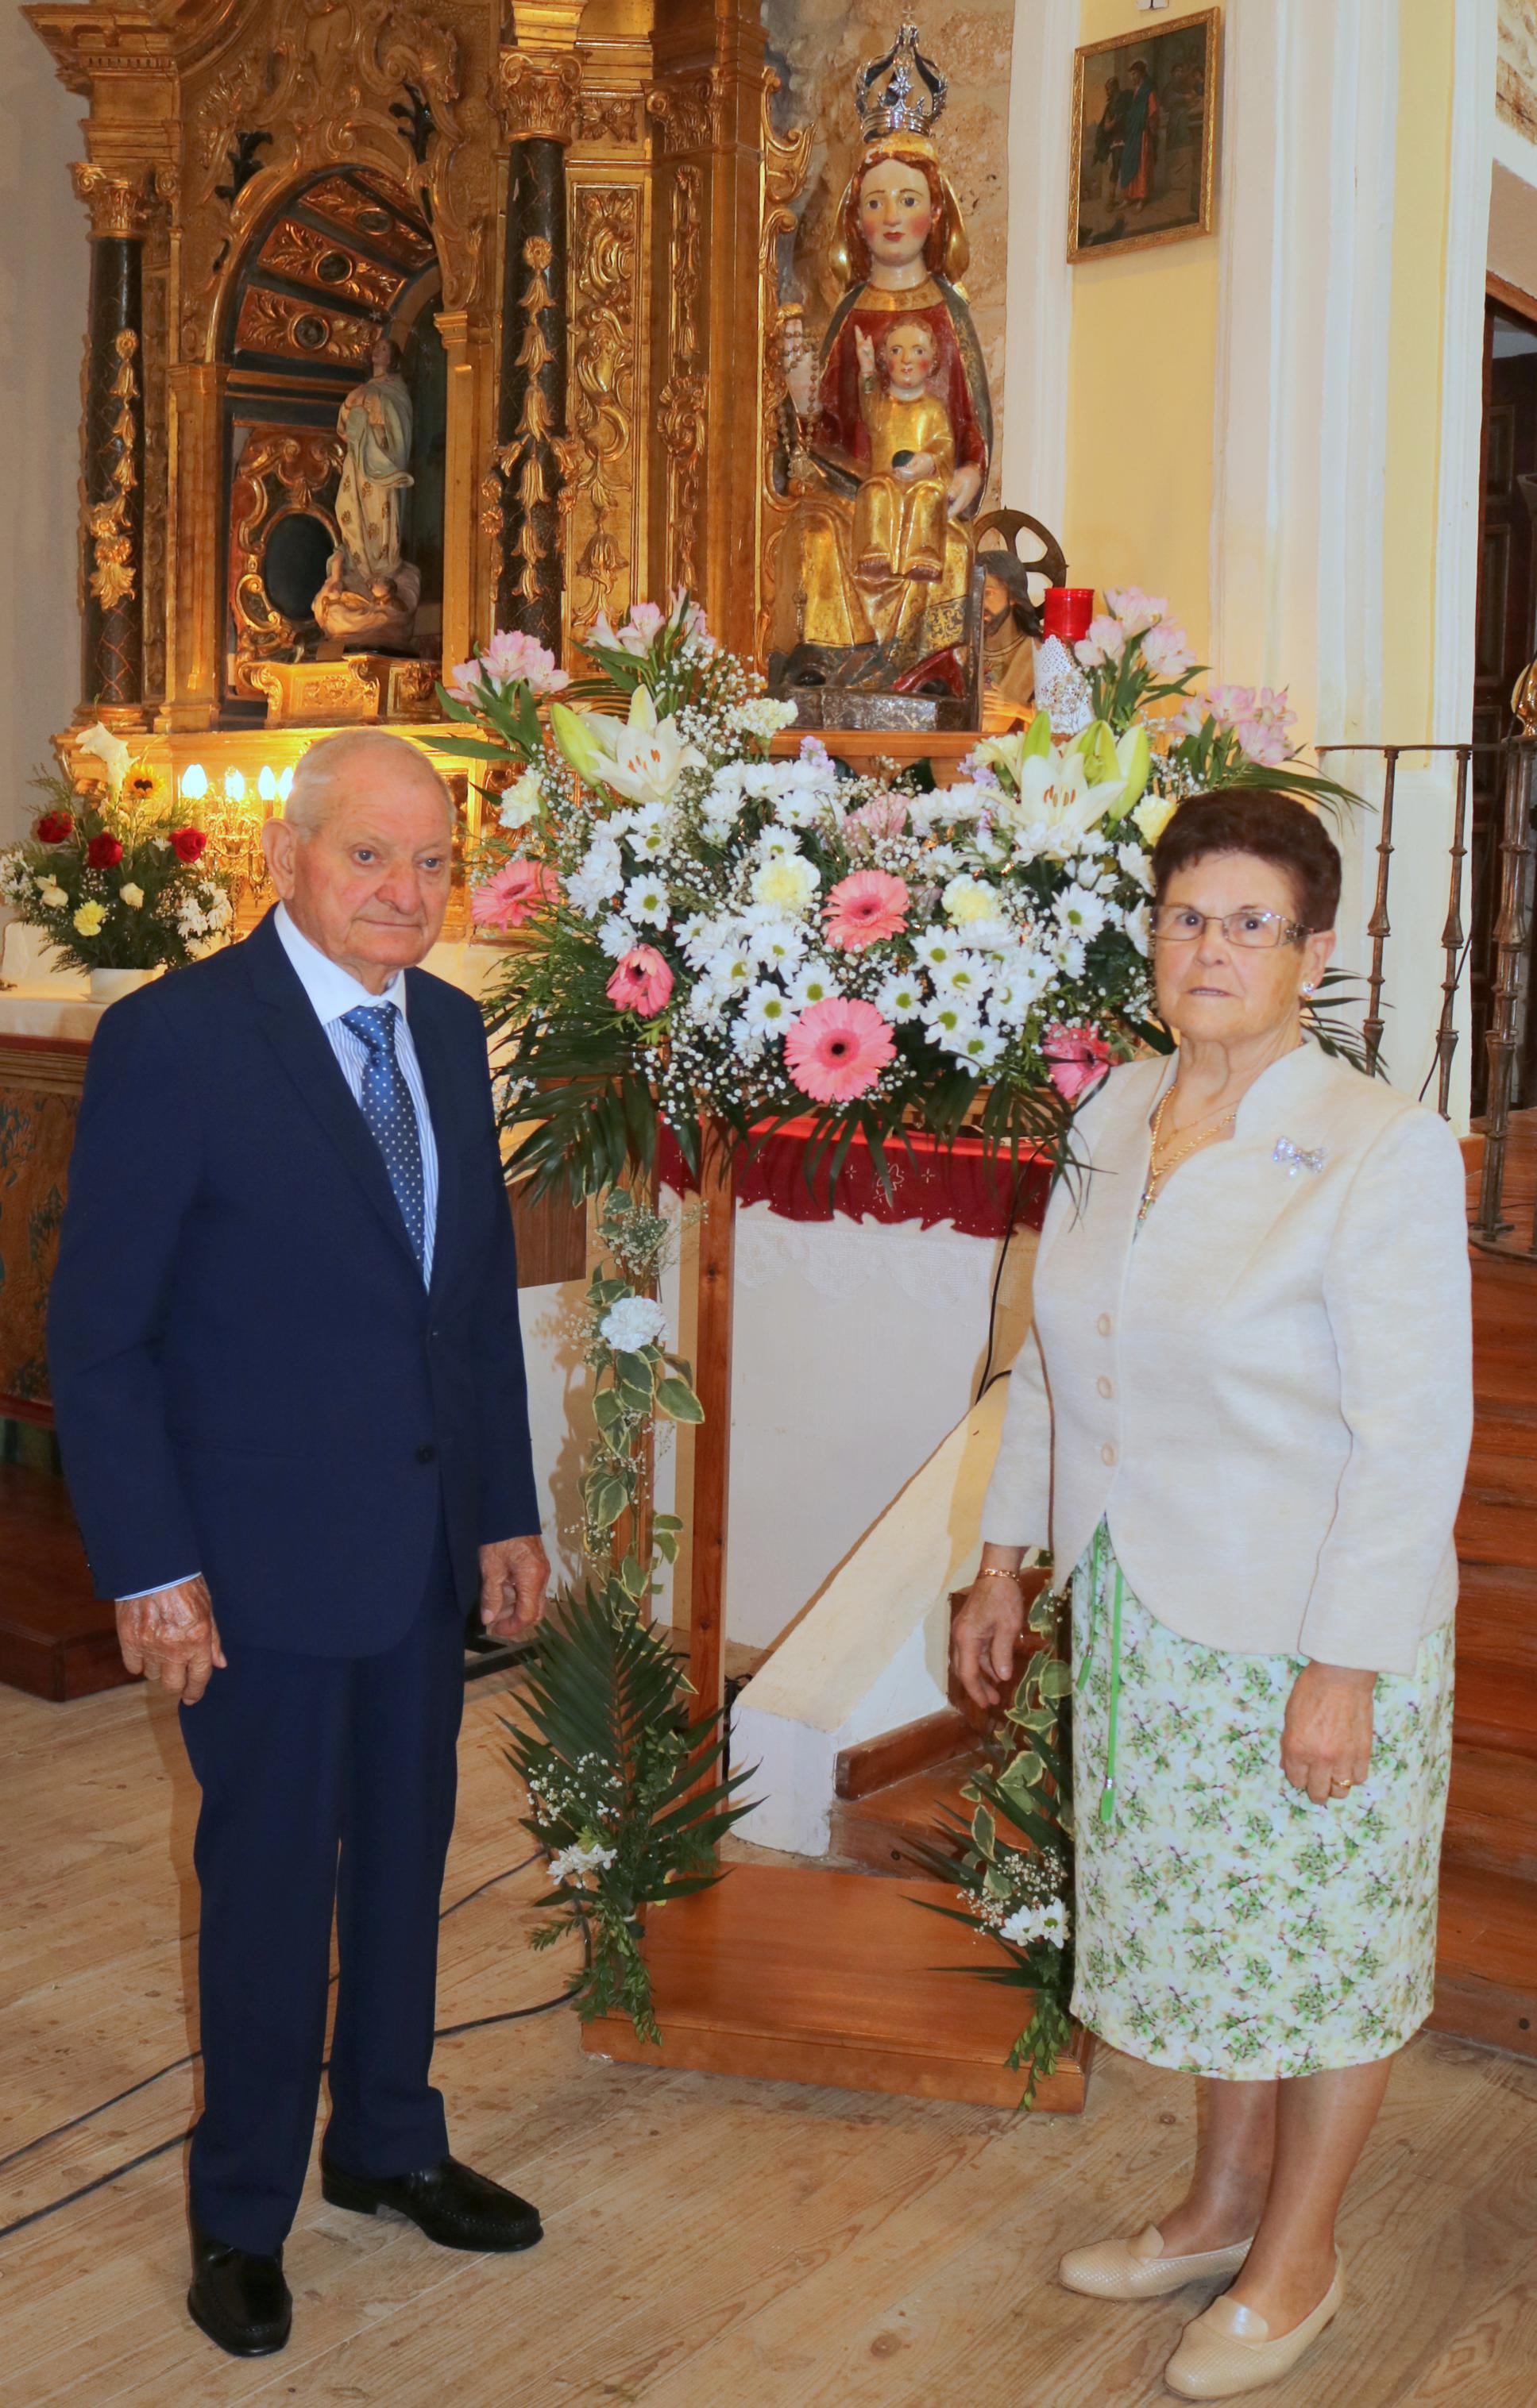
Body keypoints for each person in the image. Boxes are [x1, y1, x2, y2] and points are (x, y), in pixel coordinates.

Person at [952, 791, 1471, 2400]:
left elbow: (1410, 1434)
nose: (1212, 948)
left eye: (1252, 923)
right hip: (1144, 1606)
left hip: (1302, 1617)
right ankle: (1217, 2205)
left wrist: (1347, 1666)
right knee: (1212, 1930)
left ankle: (1297, 2253)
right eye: (1189, 915)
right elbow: (1054, 1350)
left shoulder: (1374, 1149)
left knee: (1320, 1941)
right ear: (1153, 932)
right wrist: (1002, 1553)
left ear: (1312, 953)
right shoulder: (1110, 1114)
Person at [49, 728, 551, 2360]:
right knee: (267, 1885)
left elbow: (465, 1308)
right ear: (288, 860)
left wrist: (502, 1511)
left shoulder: (456, 1032)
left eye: (430, 862)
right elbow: (101, 1338)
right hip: (247, 1564)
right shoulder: (180, 1041)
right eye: (368, 857)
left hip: (412, 1549)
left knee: (407, 1860)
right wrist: (148, 1565)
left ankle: (388, 2141)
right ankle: (241, 2209)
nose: (405, 891)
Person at [852, 317, 956, 585]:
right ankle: (875, 552)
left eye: (918, 351)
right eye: (897, 351)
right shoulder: (883, 407)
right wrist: (866, 369)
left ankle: (923, 554)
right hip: (886, 480)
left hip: (919, 481)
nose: (907, 360)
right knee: (875, 493)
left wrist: (929, 459)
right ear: (885, 359)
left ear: (933, 361)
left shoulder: (933, 409)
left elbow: (943, 442)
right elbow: (868, 409)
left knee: (929, 496)